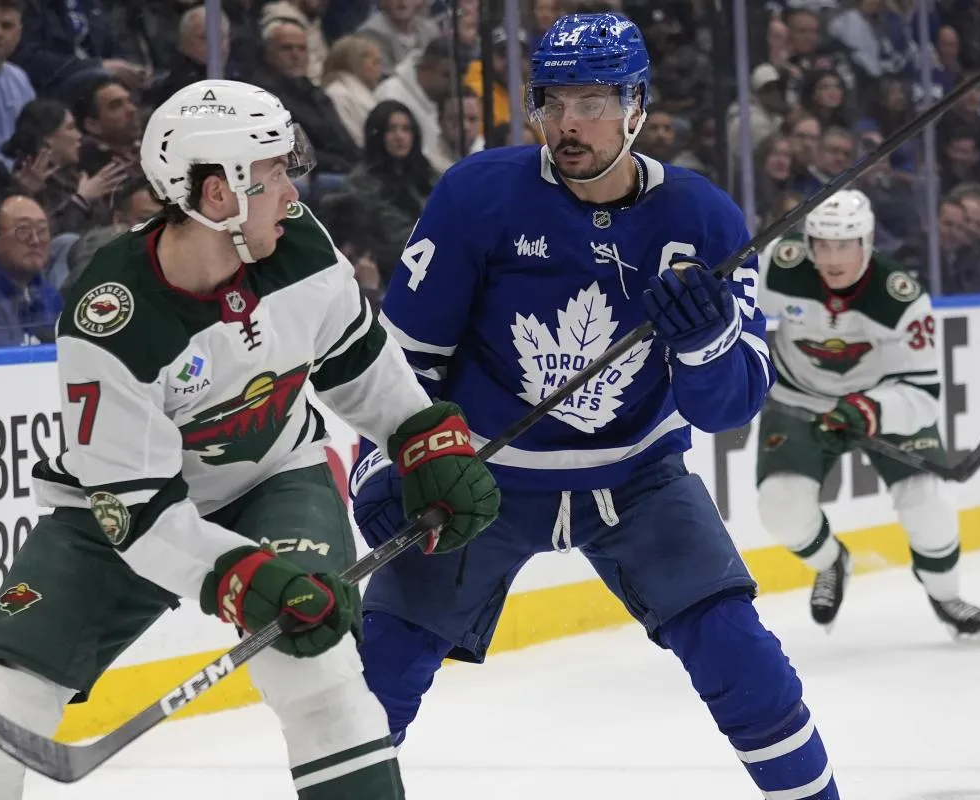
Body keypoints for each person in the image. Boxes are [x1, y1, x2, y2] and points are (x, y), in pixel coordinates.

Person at [0, 79, 499, 800]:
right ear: (217, 195)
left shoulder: (300, 245)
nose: (291, 192)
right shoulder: (112, 319)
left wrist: (418, 436)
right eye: (272, 173)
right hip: (121, 515)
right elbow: (138, 511)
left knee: (318, 669)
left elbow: (357, 361)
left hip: (273, 478)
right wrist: (236, 576)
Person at [349, 13, 840, 800]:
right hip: (482, 483)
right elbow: (406, 359)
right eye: (551, 101)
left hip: (640, 480)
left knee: (747, 668)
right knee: (367, 691)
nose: (566, 124)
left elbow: (730, 407)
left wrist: (707, 343)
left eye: (591, 102)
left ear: (637, 105)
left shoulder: (703, 218)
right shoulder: (478, 195)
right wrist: (384, 459)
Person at [754, 189, 980, 645]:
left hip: (882, 404)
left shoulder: (899, 296)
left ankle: (946, 596)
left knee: (926, 505)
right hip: (799, 401)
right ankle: (831, 563)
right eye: (822, 244)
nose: (832, 258)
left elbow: (922, 395)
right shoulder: (781, 266)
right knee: (779, 509)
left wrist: (868, 409)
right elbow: (735, 302)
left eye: (844, 245)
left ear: (867, 243)